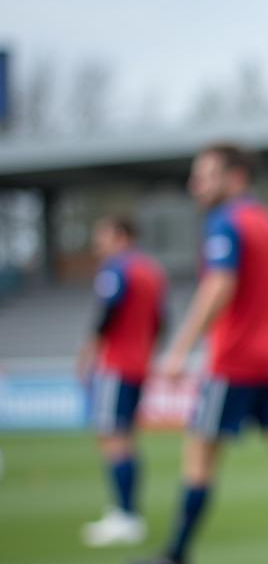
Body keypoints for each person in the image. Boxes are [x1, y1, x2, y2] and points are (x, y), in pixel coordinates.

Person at [132, 142, 268, 564]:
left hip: (232, 362)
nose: (197, 185)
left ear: (235, 178)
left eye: (205, 175)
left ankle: (175, 555)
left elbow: (219, 286)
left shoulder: (225, 222)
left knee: (198, 455)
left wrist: (178, 350)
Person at [77, 215, 166, 547]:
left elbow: (107, 315)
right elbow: (160, 320)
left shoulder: (117, 268)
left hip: (116, 365)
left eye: (102, 235)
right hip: (139, 364)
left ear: (120, 236)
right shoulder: (152, 271)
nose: (98, 243)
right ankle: (127, 513)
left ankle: (125, 515)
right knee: (125, 436)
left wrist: (87, 355)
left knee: (113, 437)